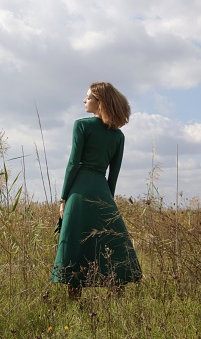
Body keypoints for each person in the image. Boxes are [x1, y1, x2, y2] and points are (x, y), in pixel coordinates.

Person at [51, 82, 142, 299]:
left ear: (99, 103)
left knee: (75, 239)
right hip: (102, 190)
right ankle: (116, 291)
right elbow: (114, 174)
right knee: (109, 240)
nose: (84, 100)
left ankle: (75, 298)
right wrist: (107, 201)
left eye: (88, 97)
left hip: (79, 190)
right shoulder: (119, 136)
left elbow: (73, 163)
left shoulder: (81, 125)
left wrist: (63, 197)